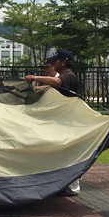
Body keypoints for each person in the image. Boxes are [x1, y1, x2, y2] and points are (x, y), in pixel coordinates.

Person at [25, 49, 81, 196]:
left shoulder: (69, 76)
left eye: (55, 61)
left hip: (69, 123)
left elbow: (57, 82)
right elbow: (52, 86)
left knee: (68, 154)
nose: (52, 63)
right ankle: (62, 184)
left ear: (63, 62)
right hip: (62, 122)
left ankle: (73, 186)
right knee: (60, 153)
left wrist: (35, 77)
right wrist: (36, 87)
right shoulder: (64, 77)